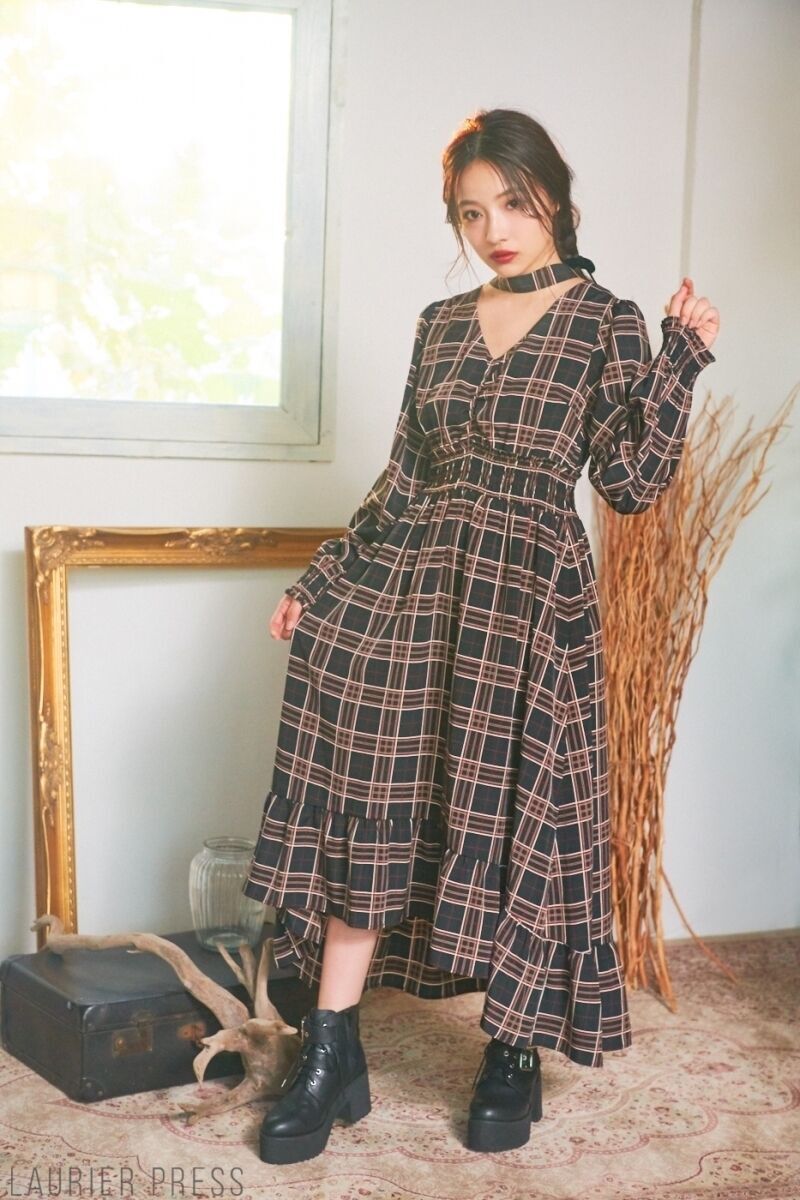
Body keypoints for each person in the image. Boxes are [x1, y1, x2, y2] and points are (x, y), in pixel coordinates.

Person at [242, 107, 719, 1163]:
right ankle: (332, 1049)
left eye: (511, 202)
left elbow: (630, 483)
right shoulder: (440, 325)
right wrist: (324, 581)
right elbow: (405, 481)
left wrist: (680, 359)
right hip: (418, 587)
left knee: (519, 811)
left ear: (553, 196)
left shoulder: (605, 321)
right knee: (374, 796)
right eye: (469, 212)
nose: (492, 229)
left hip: (531, 601)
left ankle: (512, 1048)